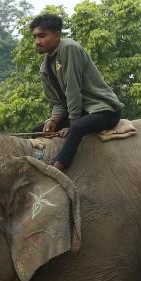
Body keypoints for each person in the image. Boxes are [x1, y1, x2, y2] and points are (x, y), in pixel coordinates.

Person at [30, 13, 124, 172]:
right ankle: (39, 161)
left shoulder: (68, 48)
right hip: (81, 112)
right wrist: (54, 120)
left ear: (57, 35)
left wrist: (72, 123)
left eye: (42, 36)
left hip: (103, 110)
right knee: (37, 130)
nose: (37, 42)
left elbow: (73, 89)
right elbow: (58, 102)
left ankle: (57, 170)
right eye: (35, 37)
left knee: (77, 128)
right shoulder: (45, 68)